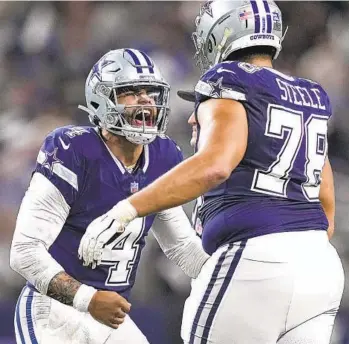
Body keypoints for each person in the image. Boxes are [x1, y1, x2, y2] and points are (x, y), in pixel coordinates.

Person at [79, 1, 345, 344]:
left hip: (255, 258)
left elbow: (216, 165)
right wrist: (293, 252)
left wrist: (126, 210)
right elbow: (326, 202)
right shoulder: (310, 95)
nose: (193, 118)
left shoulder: (228, 79)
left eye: (198, 111)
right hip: (320, 269)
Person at [9, 48, 209, 344]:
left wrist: (231, 275)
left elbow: (182, 247)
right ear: (101, 100)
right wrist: (87, 299)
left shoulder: (163, 156)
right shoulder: (73, 151)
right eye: (130, 92)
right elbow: (24, 252)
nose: (145, 101)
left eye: (150, 93)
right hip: (54, 313)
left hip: (111, 317)